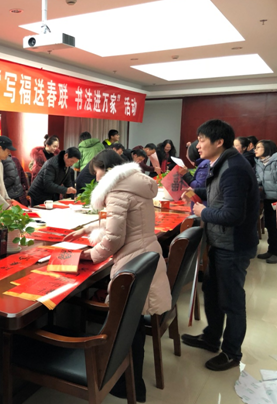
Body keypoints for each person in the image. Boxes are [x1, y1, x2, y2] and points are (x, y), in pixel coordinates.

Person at [63, 149, 171, 402]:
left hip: (132, 260)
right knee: (132, 322)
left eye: (97, 172)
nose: (97, 178)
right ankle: (134, 382)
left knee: (128, 324)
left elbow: (114, 238)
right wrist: (86, 229)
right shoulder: (134, 184)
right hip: (145, 254)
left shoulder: (117, 191)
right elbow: (121, 221)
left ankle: (127, 383)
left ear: (107, 169)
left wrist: (89, 255)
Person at [181, 119, 259, 372]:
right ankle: (211, 338)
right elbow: (218, 194)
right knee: (213, 293)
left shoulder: (233, 168)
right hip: (220, 242)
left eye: (201, 140)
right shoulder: (223, 163)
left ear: (219, 142)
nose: (197, 145)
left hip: (233, 246)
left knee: (231, 301)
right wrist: (196, 193)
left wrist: (202, 212)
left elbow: (233, 215)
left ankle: (232, 353)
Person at [254, 139, 277, 263]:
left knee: (275, 226)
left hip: (276, 199)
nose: (255, 150)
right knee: (270, 226)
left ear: (267, 149)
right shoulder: (259, 163)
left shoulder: (275, 161)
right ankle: (271, 250)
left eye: (259, 147)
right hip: (268, 199)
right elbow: (258, 179)